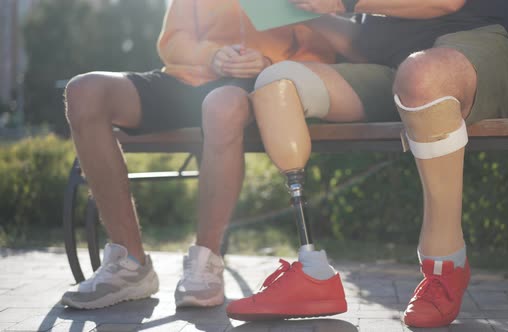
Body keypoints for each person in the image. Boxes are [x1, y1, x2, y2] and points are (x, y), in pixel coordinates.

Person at [225, 0, 508, 328]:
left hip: (487, 45)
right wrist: (304, 11)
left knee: (422, 75)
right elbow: (362, 45)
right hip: (394, 67)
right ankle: (312, 272)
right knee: (277, 82)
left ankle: (446, 263)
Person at [60, 0, 336, 310]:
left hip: (252, 84)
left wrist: (270, 64)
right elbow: (172, 42)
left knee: (221, 106)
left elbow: (323, 49)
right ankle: (130, 264)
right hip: (185, 80)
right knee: (84, 91)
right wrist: (212, 56)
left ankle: (206, 261)